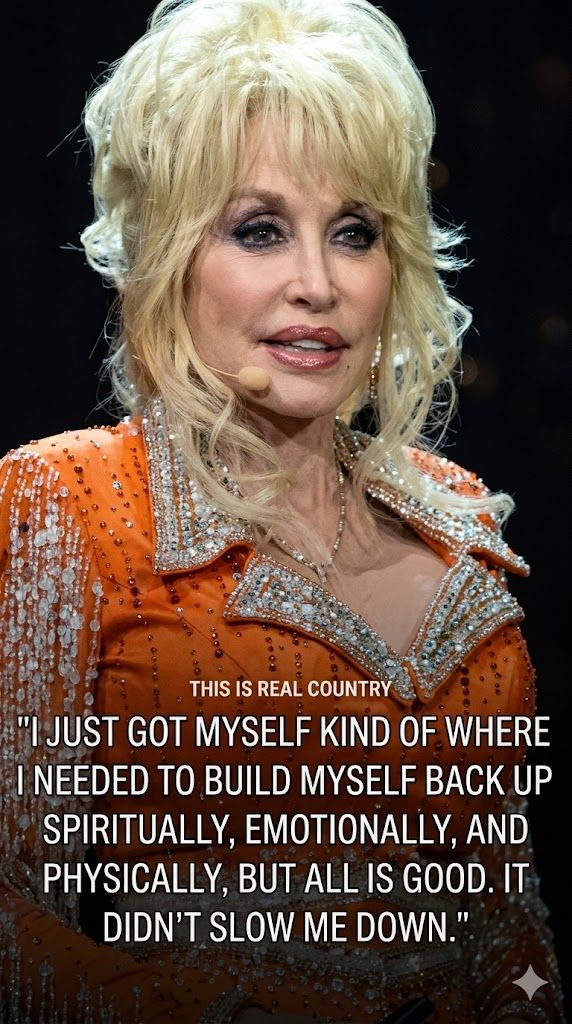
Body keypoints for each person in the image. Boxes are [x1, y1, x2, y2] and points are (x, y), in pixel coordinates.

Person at [0, 0, 563, 1021]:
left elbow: (503, 916)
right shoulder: (71, 503)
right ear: (164, 253)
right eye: (258, 230)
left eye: (353, 233)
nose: (317, 283)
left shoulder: (457, 517)